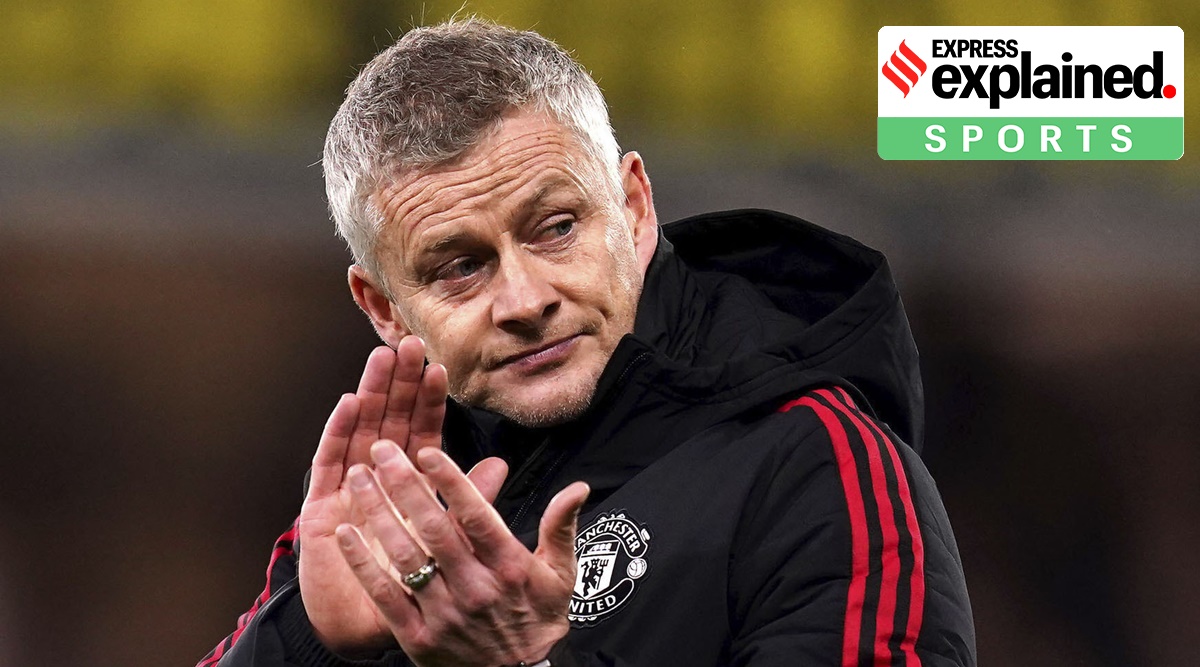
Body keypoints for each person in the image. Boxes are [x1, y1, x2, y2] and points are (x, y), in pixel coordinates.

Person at [197, 18, 975, 667]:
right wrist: (306, 638)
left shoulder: (816, 462)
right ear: (386, 308)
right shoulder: (384, 503)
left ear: (635, 210)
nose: (526, 299)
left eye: (557, 228)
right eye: (461, 267)